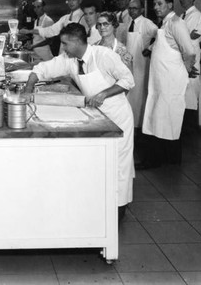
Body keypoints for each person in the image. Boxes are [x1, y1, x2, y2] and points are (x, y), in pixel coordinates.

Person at [24, 23, 135, 222]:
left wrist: (103, 94)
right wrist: (28, 89)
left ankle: (119, 210)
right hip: (95, 116)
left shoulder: (103, 55)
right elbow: (41, 69)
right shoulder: (70, 59)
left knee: (118, 164)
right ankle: (99, 206)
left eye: (65, 43)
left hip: (117, 116)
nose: (63, 48)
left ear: (76, 41)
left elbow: (128, 80)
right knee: (98, 163)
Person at [138, 0, 196, 169]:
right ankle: (164, 158)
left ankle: (159, 159)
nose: (156, 7)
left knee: (166, 116)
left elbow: (189, 51)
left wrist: (186, 70)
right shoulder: (165, 23)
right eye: (154, 4)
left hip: (171, 79)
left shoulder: (177, 23)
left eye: (159, 4)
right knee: (159, 115)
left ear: (170, 5)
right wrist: (150, 48)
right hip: (161, 79)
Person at [20, 0, 89, 56]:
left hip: (75, 55)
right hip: (63, 55)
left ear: (80, 0)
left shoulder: (84, 18)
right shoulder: (65, 18)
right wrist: (29, 31)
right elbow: (50, 31)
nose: (71, 2)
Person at [125, 0, 158, 128]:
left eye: (135, 8)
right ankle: (131, 122)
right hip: (129, 63)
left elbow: (161, 36)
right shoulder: (129, 23)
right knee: (130, 92)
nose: (132, 10)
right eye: (130, 8)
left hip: (141, 64)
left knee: (140, 93)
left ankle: (139, 124)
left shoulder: (147, 23)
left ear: (141, 10)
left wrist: (150, 48)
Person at [179, 0, 201, 111]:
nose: (181, 0)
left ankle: (190, 117)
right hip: (182, 54)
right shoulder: (182, 15)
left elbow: (182, 36)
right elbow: (180, 35)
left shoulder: (196, 15)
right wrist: (185, 35)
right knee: (182, 87)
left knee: (191, 86)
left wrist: (184, 35)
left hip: (191, 55)